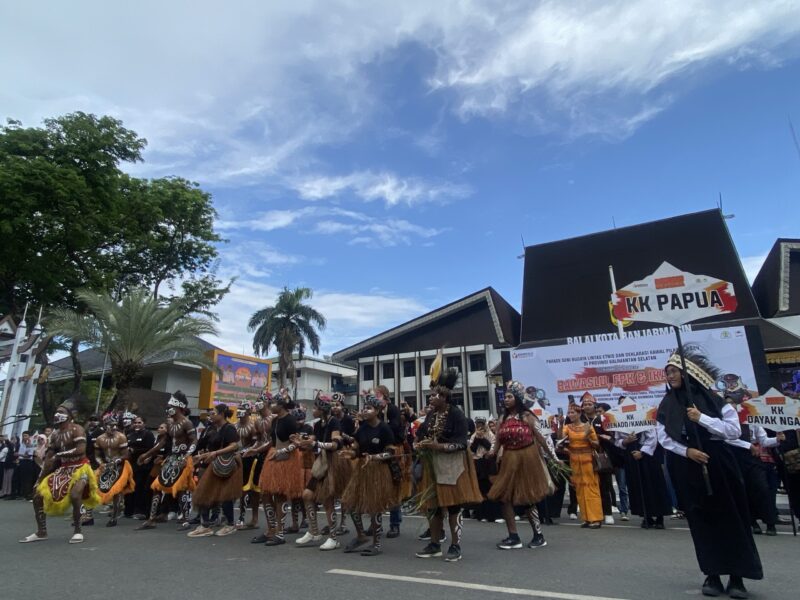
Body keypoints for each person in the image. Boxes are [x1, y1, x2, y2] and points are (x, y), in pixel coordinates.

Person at [656, 349, 762, 599]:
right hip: (690, 465)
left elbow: (733, 431)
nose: (670, 376)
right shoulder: (667, 403)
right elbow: (664, 438)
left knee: (732, 517)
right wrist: (687, 451)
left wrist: (701, 418)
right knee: (702, 521)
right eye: (668, 372)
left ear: (687, 374)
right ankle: (712, 574)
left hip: (720, 463)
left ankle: (737, 578)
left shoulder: (715, 401)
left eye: (674, 371)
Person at [414, 353, 483, 562]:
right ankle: (435, 544)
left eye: (434, 395)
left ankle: (455, 545)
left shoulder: (456, 414)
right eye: (430, 395)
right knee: (433, 506)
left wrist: (440, 446)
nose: (431, 398)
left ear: (444, 397)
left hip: (452, 465)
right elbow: (421, 433)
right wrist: (418, 443)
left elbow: (463, 443)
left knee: (453, 506)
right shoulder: (431, 415)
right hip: (432, 464)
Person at [19, 396, 102, 544]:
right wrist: (40, 479)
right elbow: (50, 458)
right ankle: (41, 532)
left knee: (76, 495)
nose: (57, 414)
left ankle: (77, 530)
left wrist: (58, 455)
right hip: (63, 470)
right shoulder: (55, 434)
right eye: (56, 412)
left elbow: (80, 450)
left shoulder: (78, 429)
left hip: (80, 468)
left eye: (61, 412)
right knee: (37, 495)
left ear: (70, 416)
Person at [488, 381, 557, 549]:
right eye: (505, 397)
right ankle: (513, 536)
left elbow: (542, 438)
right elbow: (497, 440)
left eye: (510, 397)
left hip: (527, 459)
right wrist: (491, 453)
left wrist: (553, 457)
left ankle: (538, 535)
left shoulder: (527, 416)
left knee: (528, 499)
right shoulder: (502, 418)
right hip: (509, 460)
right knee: (505, 498)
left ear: (517, 399)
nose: (506, 399)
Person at [339, 394, 399, 556]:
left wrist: (374, 457)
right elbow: (356, 447)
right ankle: (361, 536)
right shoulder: (363, 427)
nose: (365, 411)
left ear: (378, 410)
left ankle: (377, 544)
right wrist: (350, 454)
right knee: (349, 504)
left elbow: (390, 453)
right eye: (364, 408)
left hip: (378, 472)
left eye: (369, 408)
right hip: (362, 471)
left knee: (374, 508)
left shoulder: (384, 429)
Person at [296, 391, 350, 550]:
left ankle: (333, 538)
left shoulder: (334, 423)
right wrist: (301, 441)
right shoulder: (318, 424)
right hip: (322, 463)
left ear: (323, 409)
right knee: (307, 495)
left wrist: (317, 445)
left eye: (316, 407)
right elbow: (312, 440)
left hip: (334, 463)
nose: (313, 410)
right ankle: (314, 531)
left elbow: (335, 444)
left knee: (328, 500)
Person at [136, 391, 198, 530]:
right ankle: (151, 519)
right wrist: (147, 454)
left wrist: (187, 456)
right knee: (157, 487)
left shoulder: (187, 423)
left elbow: (194, 440)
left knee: (181, 489)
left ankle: (185, 520)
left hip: (182, 459)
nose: (168, 408)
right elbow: (163, 442)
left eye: (170, 406)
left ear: (178, 407)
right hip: (171, 459)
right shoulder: (170, 424)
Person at [253, 390, 305, 546]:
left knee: (280, 496)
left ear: (281, 406)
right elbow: (272, 442)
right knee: (266, 494)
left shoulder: (290, 420)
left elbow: (296, 443)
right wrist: (256, 450)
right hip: (273, 458)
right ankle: (271, 529)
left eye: (273, 403)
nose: (270, 406)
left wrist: (282, 451)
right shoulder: (275, 420)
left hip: (286, 460)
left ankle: (280, 534)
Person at [188, 403, 243, 538]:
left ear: (222, 414)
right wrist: (201, 456)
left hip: (226, 466)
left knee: (225, 496)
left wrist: (216, 453)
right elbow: (210, 449)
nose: (211, 415)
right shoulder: (213, 429)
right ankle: (205, 525)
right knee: (204, 493)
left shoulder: (229, 428)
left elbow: (235, 445)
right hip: (214, 465)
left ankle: (230, 524)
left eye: (214, 413)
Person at [615, 425, 672, 529]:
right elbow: (617, 440)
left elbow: (653, 437)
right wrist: (626, 441)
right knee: (637, 484)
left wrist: (643, 452)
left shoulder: (646, 417)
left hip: (649, 455)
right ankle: (646, 517)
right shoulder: (621, 421)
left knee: (655, 484)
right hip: (630, 454)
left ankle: (660, 517)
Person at [374, 384, 407, 539]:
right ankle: (376, 524)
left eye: (377, 394)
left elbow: (394, 427)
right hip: (379, 451)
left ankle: (395, 524)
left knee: (394, 487)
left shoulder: (392, 409)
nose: (375, 397)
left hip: (393, 450)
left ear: (384, 395)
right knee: (377, 487)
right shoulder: (375, 411)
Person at [563, 404, 603, 528]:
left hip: (588, 459)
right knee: (579, 489)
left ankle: (595, 518)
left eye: (572, 412)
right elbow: (561, 440)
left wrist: (588, 439)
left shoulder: (587, 427)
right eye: (569, 413)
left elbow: (596, 444)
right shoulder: (567, 427)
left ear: (579, 413)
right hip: (574, 460)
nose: (570, 415)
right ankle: (586, 518)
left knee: (591, 487)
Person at [94, 414, 135, 527]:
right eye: (111, 425)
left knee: (116, 490)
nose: (113, 428)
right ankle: (87, 514)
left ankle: (114, 516)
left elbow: (126, 455)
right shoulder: (100, 439)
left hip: (120, 465)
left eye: (115, 425)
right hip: (106, 465)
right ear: (105, 425)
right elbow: (97, 455)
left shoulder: (121, 437)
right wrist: (101, 464)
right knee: (93, 484)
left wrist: (117, 461)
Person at [581, 394, 616, 525]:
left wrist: (601, 437)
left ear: (595, 405)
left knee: (605, 485)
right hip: (584, 456)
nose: (587, 406)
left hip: (601, 455)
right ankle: (593, 514)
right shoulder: (580, 420)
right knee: (589, 487)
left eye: (589, 404)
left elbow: (612, 437)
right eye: (584, 404)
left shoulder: (602, 419)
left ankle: (608, 513)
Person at [235, 400, 268, 530]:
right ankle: (239, 517)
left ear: (248, 411)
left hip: (252, 459)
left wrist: (246, 451)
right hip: (238, 458)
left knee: (253, 490)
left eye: (243, 408)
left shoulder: (254, 425)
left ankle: (253, 518)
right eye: (239, 408)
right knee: (240, 489)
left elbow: (258, 442)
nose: (240, 411)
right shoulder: (234, 426)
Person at [469, 416, 501, 522]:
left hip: (489, 463)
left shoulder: (491, 435)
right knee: (481, 488)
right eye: (478, 423)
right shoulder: (474, 436)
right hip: (478, 463)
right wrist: (478, 438)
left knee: (491, 487)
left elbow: (492, 448)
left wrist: (482, 438)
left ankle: (494, 515)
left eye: (481, 423)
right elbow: (472, 450)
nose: (480, 425)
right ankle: (482, 514)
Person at [125, 416, 155, 519]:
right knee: (130, 487)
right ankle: (128, 510)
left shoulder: (148, 434)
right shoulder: (129, 434)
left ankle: (140, 511)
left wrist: (135, 450)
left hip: (143, 466)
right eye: (135, 423)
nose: (137, 424)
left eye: (139, 422)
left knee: (140, 488)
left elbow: (150, 449)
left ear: (144, 424)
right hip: (131, 465)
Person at [17, 431, 37, 500]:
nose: (24, 437)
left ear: (29, 436)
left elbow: (28, 455)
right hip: (22, 461)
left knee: (28, 479)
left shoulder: (31, 444)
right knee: (22, 478)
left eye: (26, 436)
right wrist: (20, 455)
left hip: (28, 462)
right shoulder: (22, 443)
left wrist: (19, 454)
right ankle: (22, 494)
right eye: (23, 436)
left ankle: (28, 494)